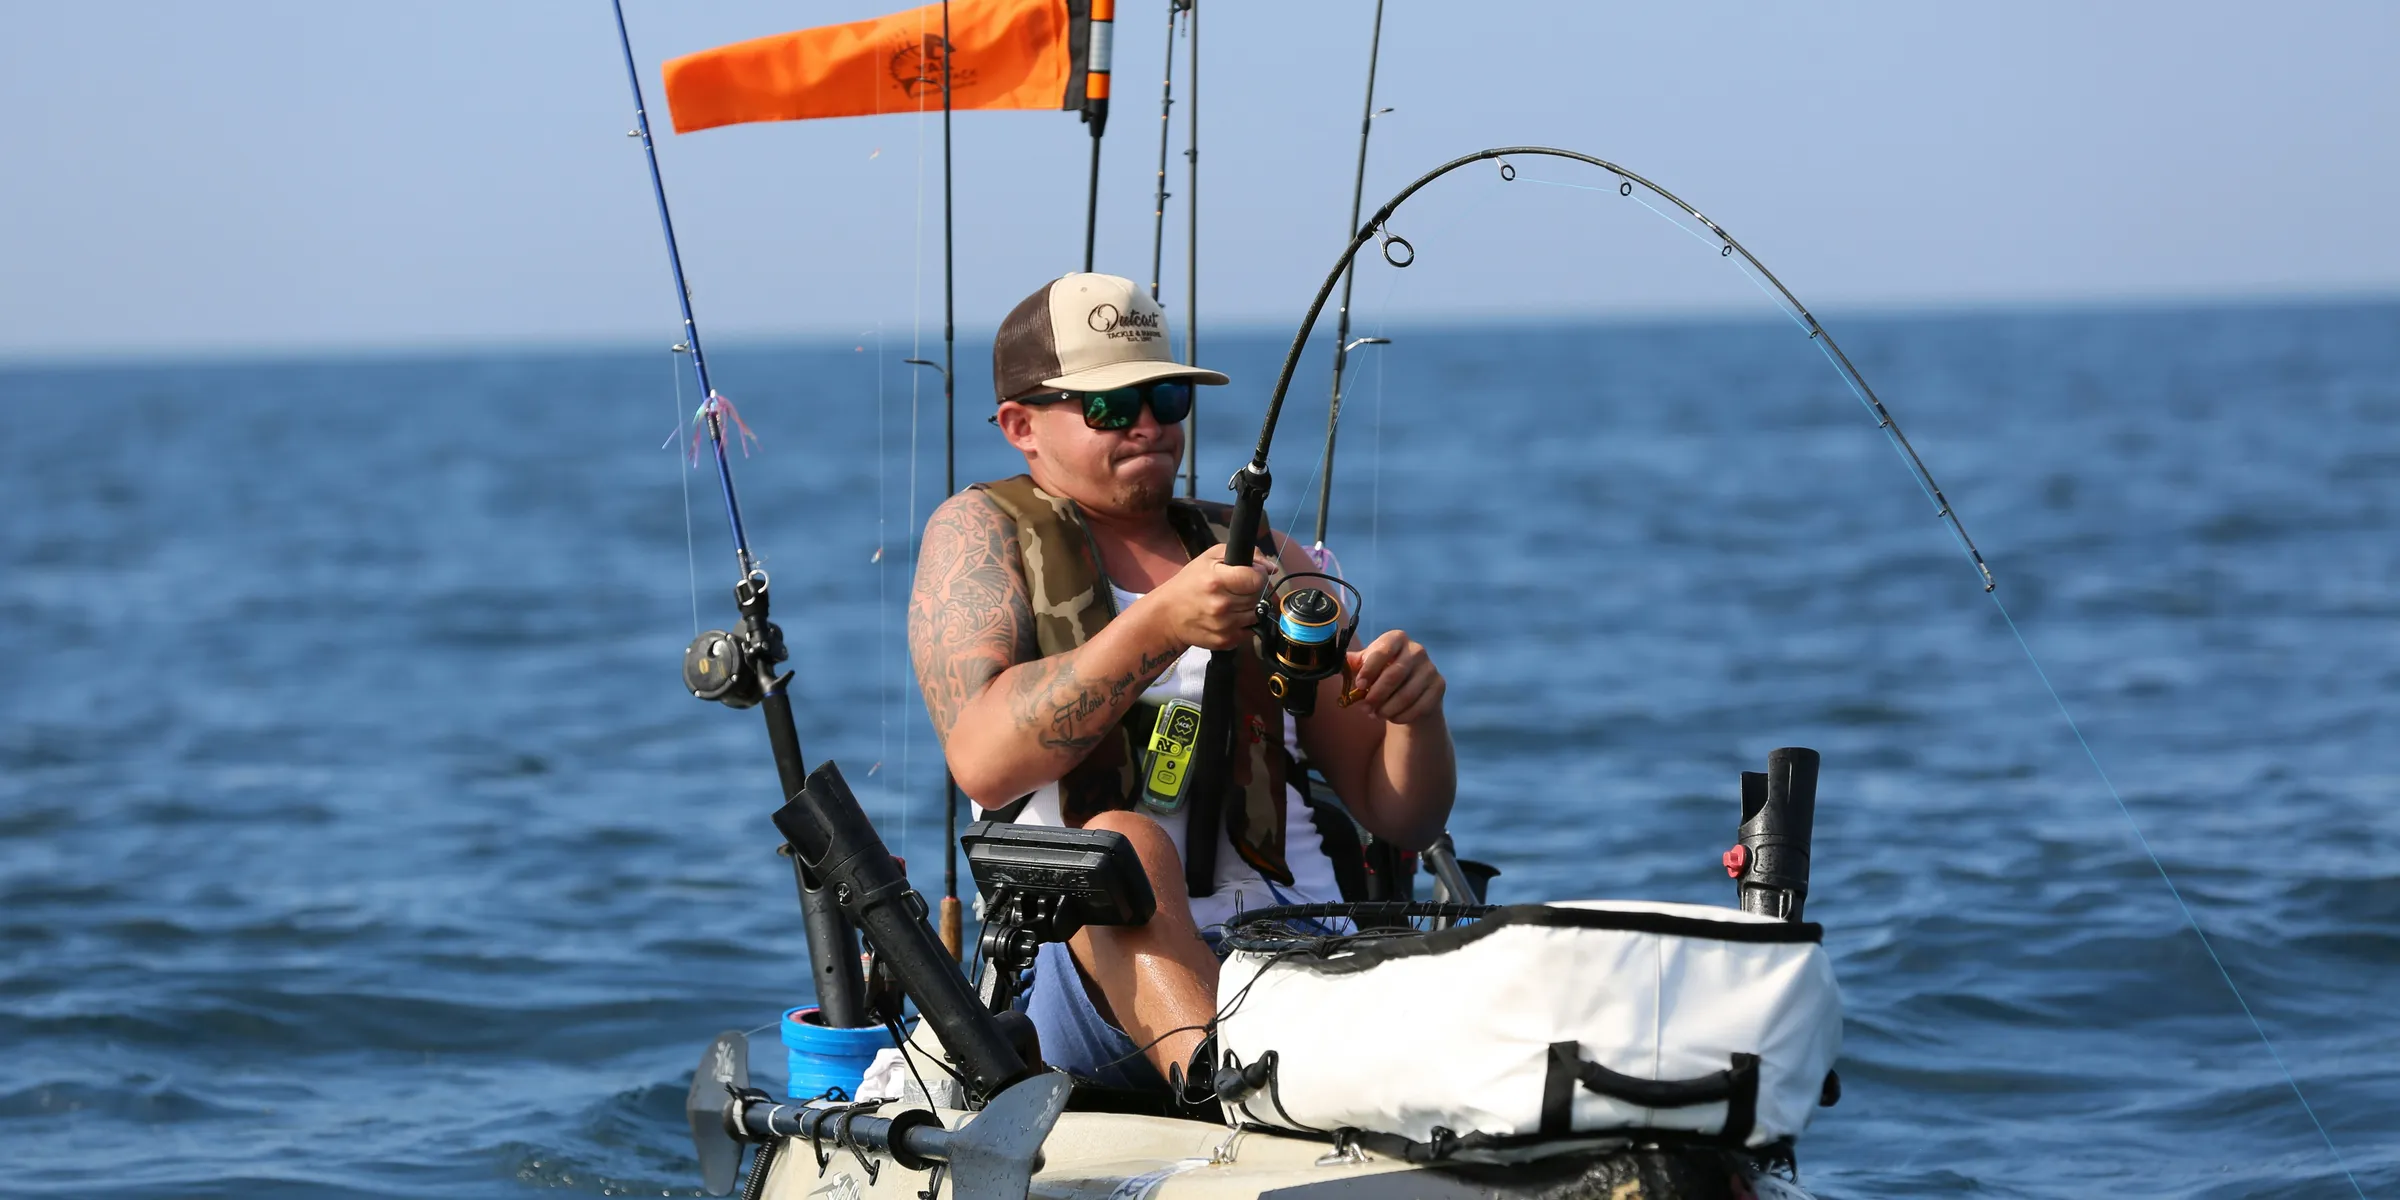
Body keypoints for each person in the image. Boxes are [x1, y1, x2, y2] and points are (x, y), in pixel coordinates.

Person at [908, 273, 1456, 1092]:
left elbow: (1399, 810)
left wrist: (1417, 718)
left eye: (1166, 397)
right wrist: (1159, 625)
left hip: (1301, 943)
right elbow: (985, 760)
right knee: (1119, 845)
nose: (1150, 427)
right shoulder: (976, 533)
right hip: (1088, 980)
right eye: (1109, 407)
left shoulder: (1270, 557)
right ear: (1021, 425)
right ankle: (1227, 1092)